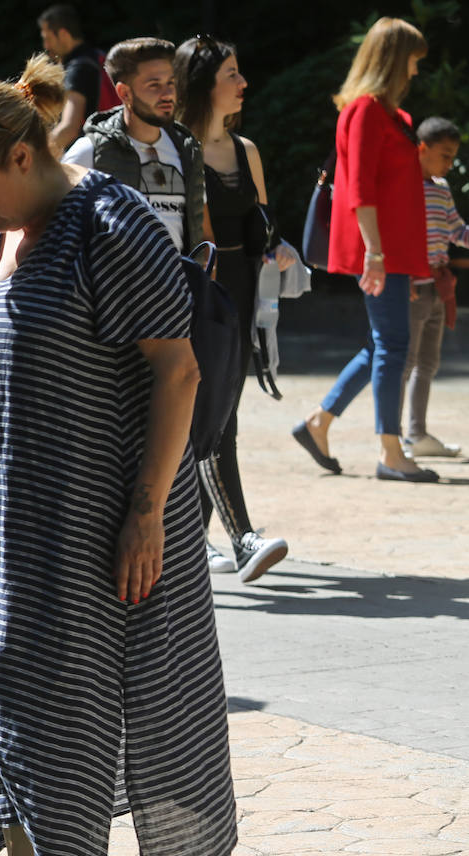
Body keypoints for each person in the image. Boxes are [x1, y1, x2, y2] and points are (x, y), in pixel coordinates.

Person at [0, 53, 237, 856]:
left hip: (88, 518)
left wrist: (146, 516)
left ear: (19, 156)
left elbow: (177, 371)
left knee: (40, 704)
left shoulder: (106, 220)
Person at [292, 17, 435, 483]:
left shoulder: (396, 117)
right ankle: (391, 452)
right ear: (393, 61)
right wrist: (375, 252)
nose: (415, 73)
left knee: (384, 345)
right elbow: (358, 188)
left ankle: (319, 422)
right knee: (393, 345)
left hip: (395, 251)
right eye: (412, 62)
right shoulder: (363, 112)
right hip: (379, 250)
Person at [173, 36, 292, 582]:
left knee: (219, 413)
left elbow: (261, 228)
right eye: (231, 74)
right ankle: (242, 538)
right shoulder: (173, 149)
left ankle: (192, 543)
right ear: (203, 84)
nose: (243, 83)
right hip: (191, 295)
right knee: (212, 416)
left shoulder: (247, 151)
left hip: (240, 296)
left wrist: (281, 247)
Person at [401, 116, 469, 457]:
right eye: (444, 155)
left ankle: (417, 435)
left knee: (428, 362)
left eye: (452, 156)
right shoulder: (402, 187)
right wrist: (403, 279)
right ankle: (390, 437)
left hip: (437, 285)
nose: (450, 163)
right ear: (422, 148)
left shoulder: (441, 189)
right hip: (412, 287)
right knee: (403, 363)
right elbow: (394, 238)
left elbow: (457, 231)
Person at [64, 37, 210, 254]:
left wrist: (204, 279)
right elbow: (57, 229)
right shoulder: (89, 152)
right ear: (124, 93)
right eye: (154, 85)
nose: (168, 93)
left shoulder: (187, 150)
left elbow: (203, 231)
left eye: (170, 82)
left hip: (180, 285)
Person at [36, 3, 117, 152]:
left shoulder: (77, 69)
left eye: (48, 38)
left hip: (93, 155)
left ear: (63, 35)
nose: (46, 46)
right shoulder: (99, 57)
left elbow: (69, 128)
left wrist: (37, 158)